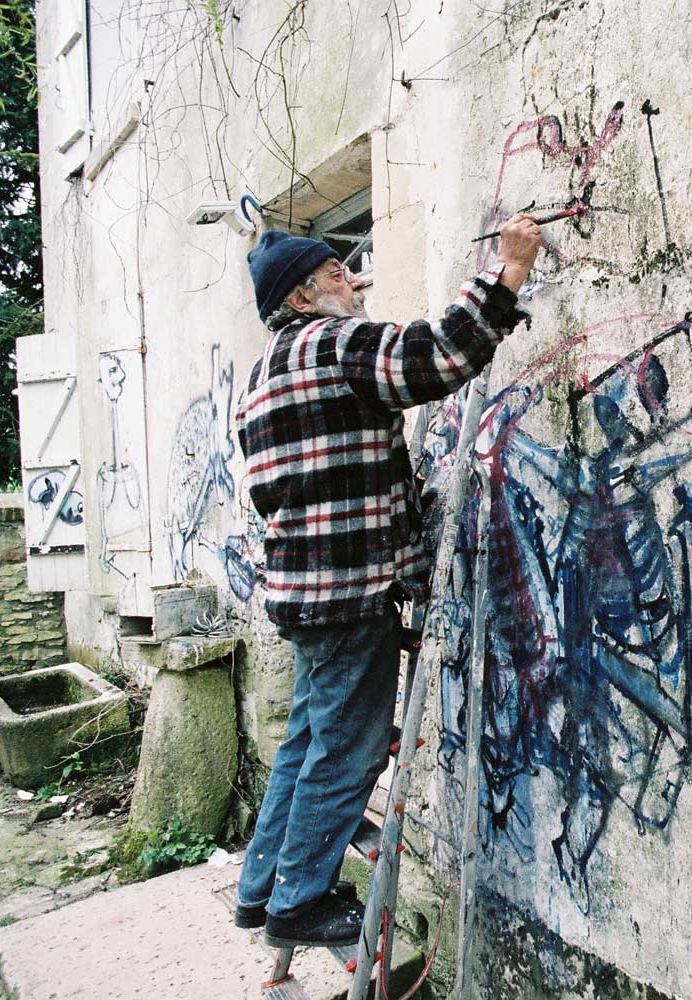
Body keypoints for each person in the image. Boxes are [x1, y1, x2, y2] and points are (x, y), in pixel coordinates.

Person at [232, 214, 543, 948]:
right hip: (349, 597)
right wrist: (509, 270)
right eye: (339, 273)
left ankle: (260, 888)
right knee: (348, 750)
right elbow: (438, 355)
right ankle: (300, 900)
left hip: (302, 597)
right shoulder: (338, 343)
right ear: (303, 298)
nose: (357, 280)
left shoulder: (264, 373)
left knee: (308, 742)